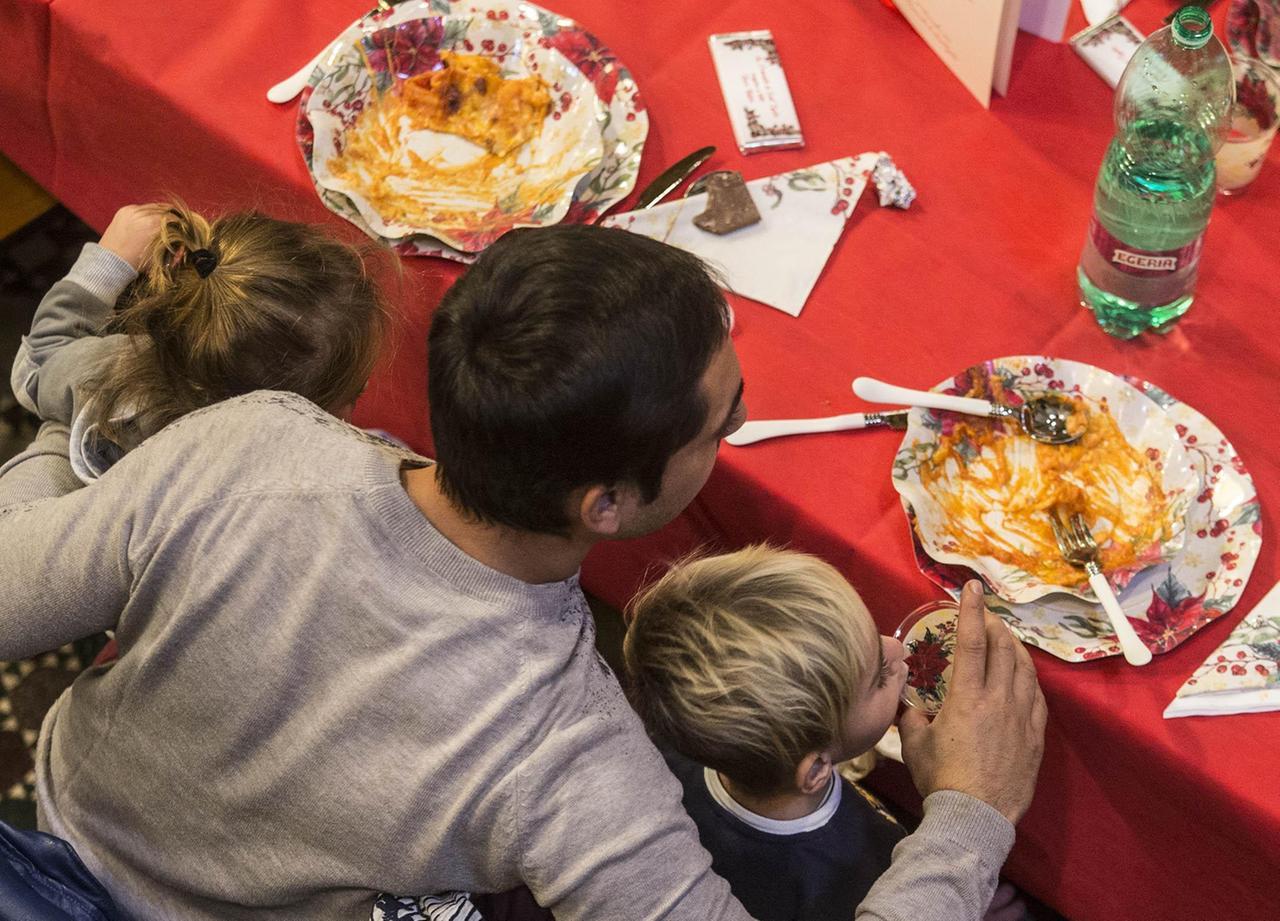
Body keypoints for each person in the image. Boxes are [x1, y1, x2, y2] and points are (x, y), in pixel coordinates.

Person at [0, 224, 1045, 921]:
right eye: (720, 420)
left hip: (54, 830)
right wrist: (969, 814)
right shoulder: (570, 761)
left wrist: (64, 446)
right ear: (607, 507)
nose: (738, 421)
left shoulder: (252, 442)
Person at [624, 546, 1034, 921]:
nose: (898, 649)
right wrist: (968, 895)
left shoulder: (680, 743)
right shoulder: (849, 886)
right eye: (879, 677)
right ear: (817, 768)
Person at [5, 201, 389, 491]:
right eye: (356, 389)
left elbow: (39, 363)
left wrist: (110, 262)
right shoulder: (308, 482)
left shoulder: (114, 373)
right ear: (330, 412)